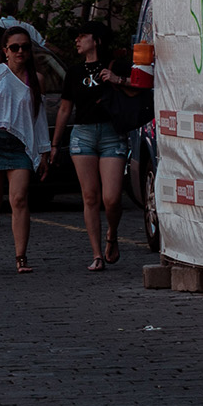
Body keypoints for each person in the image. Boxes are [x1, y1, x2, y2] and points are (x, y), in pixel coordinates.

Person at [0, 27, 62, 271]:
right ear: (5, 50)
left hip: (20, 146)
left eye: (25, 47)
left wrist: (43, 150)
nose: (20, 52)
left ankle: (21, 256)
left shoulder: (36, 79)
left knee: (19, 199)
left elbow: (37, 118)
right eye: (15, 47)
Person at [57, 24, 136, 269]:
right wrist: (53, 144)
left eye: (82, 36)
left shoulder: (117, 65)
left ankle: (112, 234)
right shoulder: (74, 71)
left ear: (97, 40)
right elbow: (64, 108)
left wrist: (117, 79)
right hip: (83, 135)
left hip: (112, 133)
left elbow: (142, 87)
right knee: (90, 196)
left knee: (111, 198)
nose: (77, 40)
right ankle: (96, 254)